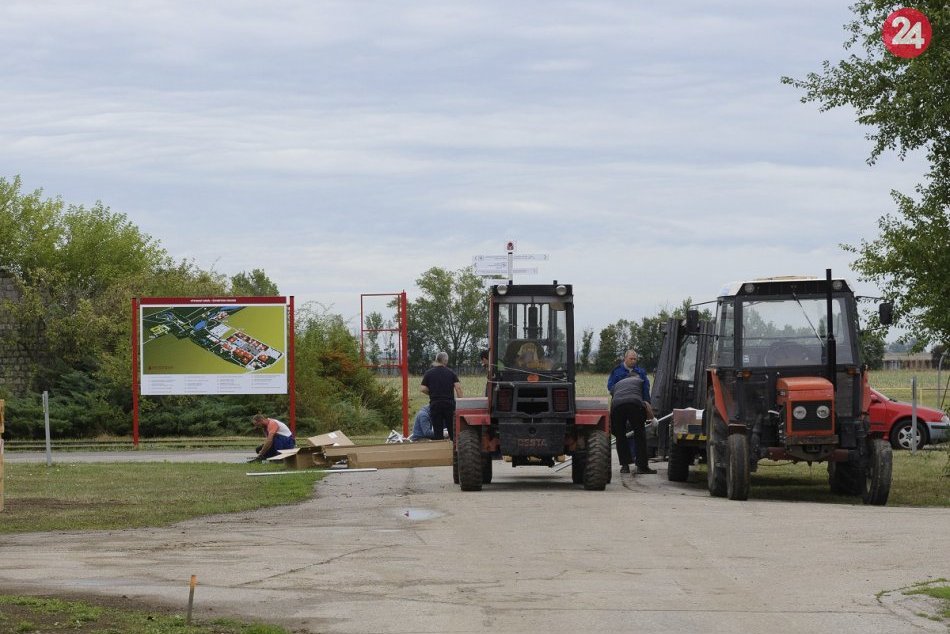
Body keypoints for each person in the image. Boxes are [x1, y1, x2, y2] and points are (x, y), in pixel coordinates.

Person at [607, 350, 656, 475]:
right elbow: (610, 387)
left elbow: (646, 389)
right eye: (631, 359)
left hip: (627, 405)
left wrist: (646, 403)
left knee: (637, 434)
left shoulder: (641, 372)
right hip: (626, 405)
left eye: (635, 359)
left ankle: (639, 465)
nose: (633, 361)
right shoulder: (616, 371)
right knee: (623, 435)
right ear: (625, 358)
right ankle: (627, 465)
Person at [420, 351, 463, 440]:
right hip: (449, 405)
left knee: (437, 430)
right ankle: (453, 448)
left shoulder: (429, 373)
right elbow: (458, 388)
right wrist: (461, 403)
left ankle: (440, 448)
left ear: (436, 360)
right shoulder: (451, 373)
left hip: (435, 404)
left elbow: (422, 388)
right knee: (452, 429)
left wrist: (432, 392)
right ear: (445, 361)